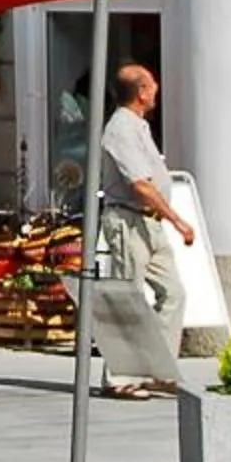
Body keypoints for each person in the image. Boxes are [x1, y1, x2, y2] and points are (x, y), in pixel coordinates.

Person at [96, 62, 192, 397]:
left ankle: (158, 370)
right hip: (128, 220)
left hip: (149, 223)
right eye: (152, 83)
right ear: (140, 91)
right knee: (128, 298)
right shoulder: (120, 129)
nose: (157, 88)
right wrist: (177, 220)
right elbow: (140, 184)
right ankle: (120, 378)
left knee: (174, 293)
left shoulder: (139, 126)